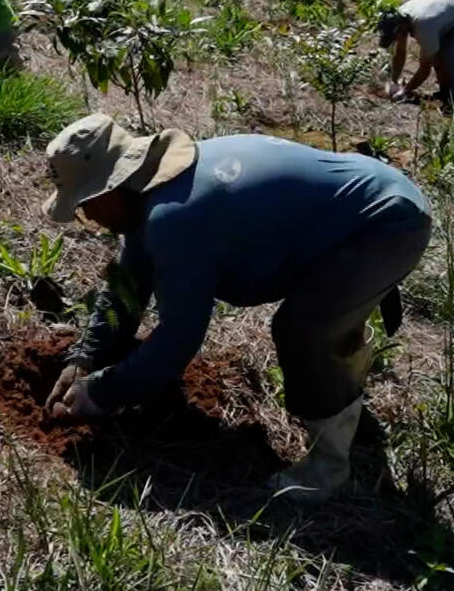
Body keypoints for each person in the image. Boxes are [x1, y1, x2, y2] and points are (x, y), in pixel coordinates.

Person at [40, 114, 433, 501]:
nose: (87, 216)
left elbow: (178, 339)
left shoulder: (176, 219)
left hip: (385, 220)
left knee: (305, 330)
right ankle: (344, 406)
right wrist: (86, 356)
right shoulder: (153, 191)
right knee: (326, 315)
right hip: (363, 204)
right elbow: (125, 291)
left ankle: (329, 471)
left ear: (112, 186)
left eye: (86, 204)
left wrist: (103, 394)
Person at [378, 0, 454, 115]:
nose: (395, 40)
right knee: (439, 55)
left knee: (450, 57)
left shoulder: (424, 27)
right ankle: (445, 94)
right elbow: (400, 52)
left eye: (395, 37)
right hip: (452, 9)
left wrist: (405, 90)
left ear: (401, 29)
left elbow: (425, 68)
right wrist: (394, 81)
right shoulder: (399, 16)